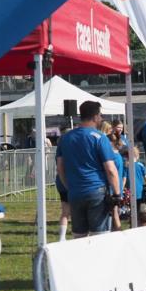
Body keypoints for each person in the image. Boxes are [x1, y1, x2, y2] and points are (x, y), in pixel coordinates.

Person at [56, 101, 120, 237]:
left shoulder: (65, 138)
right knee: (99, 236)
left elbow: (60, 168)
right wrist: (117, 193)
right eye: (100, 115)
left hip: (75, 192)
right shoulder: (100, 138)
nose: (101, 118)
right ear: (96, 116)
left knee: (79, 237)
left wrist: (69, 186)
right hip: (96, 191)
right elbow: (110, 169)